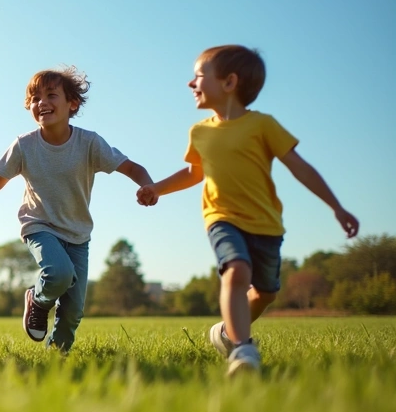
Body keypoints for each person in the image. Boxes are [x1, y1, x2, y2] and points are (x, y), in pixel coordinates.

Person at [137, 46, 358, 375]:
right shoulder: (200, 132)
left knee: (266, 293)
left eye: (198, 76)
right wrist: (157, 188)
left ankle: (226, 333)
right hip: (221, 218)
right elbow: (194, 173)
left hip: (266, 224)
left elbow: (301, 168)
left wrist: (336, 207)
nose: (190, 83)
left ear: (229, 82)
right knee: (236, 270)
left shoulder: (263, 126)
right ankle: (243, 349)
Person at [0, 67, 153, 352]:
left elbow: (131, 167)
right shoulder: (24, 145)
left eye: (51, 95)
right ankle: (39, 300)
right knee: (58, 273)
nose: (41, 102)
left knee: (73, 310)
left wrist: (147, 185)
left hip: (78, 235)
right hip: (39, 226)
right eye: (35, 98)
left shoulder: (89, 143)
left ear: (72, 103)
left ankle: (57, 356)